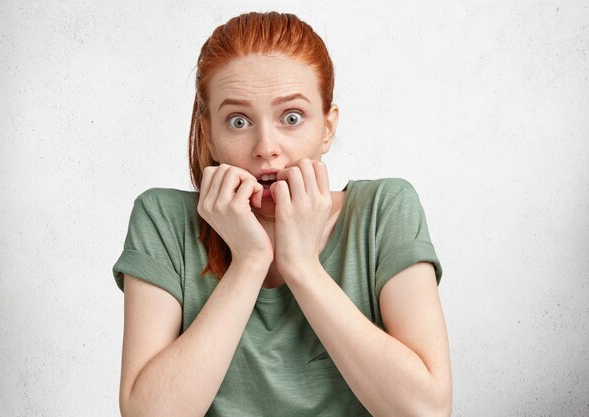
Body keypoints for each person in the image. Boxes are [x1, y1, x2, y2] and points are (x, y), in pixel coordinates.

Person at [112, 11, 452, 417]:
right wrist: (250, 261)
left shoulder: (385, 210)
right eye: (238, 121)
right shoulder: (162, 220)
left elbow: (424, 410)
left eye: (292, 118)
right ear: (209, 134)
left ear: (327, 128)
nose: (266, 147)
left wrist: (302, 266)